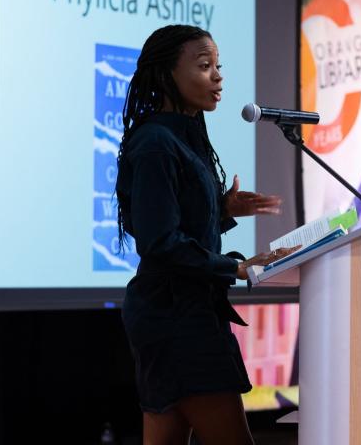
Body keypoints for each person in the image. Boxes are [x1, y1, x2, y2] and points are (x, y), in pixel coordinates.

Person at [115, 25, 300, 445]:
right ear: (166, 74)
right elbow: (160, 243)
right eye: (204, 66)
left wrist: (223, 209)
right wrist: (237, 266)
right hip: (176, 319)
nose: (218, 77)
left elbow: (178, 224)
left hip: (183, 312)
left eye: (218, 66)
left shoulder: (183, 137)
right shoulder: (156, 144)